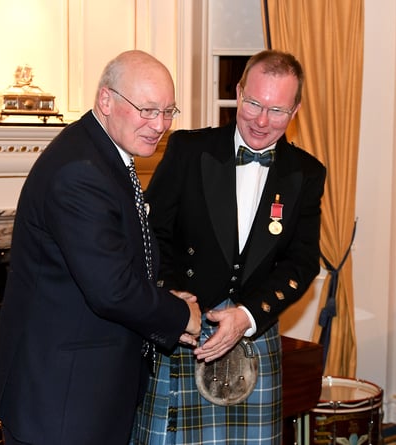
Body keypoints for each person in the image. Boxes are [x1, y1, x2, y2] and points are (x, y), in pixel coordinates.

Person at [0, 50, 202, 445]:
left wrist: (162, 300)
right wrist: (181, 316)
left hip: (81, 394)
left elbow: (115, 262)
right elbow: (112, 290)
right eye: (148, 110)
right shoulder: (78, 172)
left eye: (169, 111)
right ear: (106, 100)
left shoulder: (102, 155)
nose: (160, 125)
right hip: (62, 402)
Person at [131, 49, 326, 444]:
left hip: (254, 329)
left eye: (277, 110)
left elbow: (302, 261)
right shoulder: (189, 149)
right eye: (253, 103)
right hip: (183, 328)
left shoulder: (305, 173)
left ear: (296, 111)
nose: (260, 120)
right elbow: (152, 232)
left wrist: (249, 315)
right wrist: (171, 294)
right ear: (238, 93)